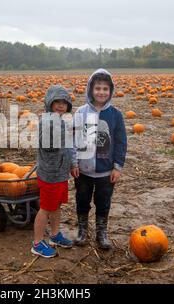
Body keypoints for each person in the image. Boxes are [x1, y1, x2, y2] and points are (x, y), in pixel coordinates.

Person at [73, 68, 127, 250]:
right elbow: (73, 139)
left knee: (103, 202)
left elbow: (121, 142)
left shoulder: (115, 114)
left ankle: (101, 232)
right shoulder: (80, 112)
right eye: (98, 88)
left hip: (106, 170)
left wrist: (117, 167)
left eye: (105, 89)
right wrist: (73, 163)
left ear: (111, 91)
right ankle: (82, 230)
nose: (101, 92)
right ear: (90, 89)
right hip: (83, 169)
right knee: (82, 200)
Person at [31, 85, 79, 258]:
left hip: (61, 173)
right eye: (56, 102)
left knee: (56, 205)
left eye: (64, 103)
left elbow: (70, 145)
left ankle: (55, 235)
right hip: (50, 174)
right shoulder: (47, 122)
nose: (60, 105)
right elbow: (46, 145)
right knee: (45, 208)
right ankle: (37, 243)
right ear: (49, 103)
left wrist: (73, 164)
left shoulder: (63, 121)